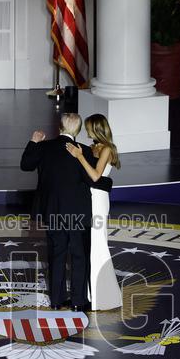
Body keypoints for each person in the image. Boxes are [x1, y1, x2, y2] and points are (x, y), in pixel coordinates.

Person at [20, 113, 95, 311]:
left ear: (59, 128)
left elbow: (25, 165)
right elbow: (91, 180)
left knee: (56, 254)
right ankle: (78, 301)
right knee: (79, 256)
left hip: (53, 211)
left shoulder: (44, 147)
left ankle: (56, 300)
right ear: (78, 130)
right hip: (77, 212)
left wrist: (33, 142)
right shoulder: (85, 150)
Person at [67, 114, 122, 311]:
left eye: (89, 127)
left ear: (97, 128)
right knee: (87, 247)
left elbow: (96, 176)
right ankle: (89, 295)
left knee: (98, 244)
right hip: (86, 197)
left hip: (98, 199)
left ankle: (104, 297)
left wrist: (80, 156)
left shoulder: (107, 149)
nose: (86, 130)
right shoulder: (92, 147)